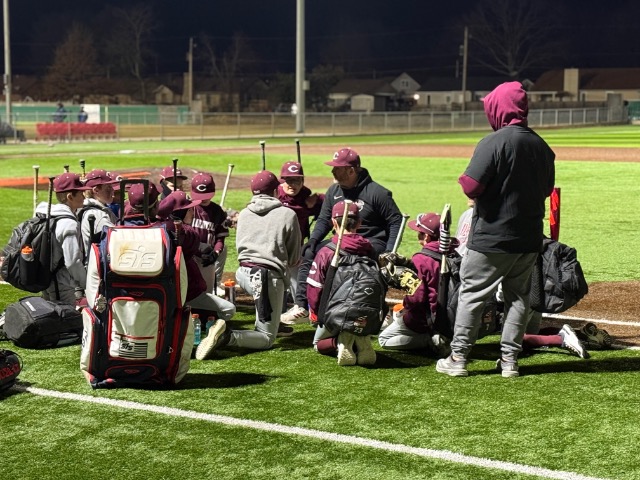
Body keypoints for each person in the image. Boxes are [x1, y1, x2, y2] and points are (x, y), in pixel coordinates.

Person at [436, 81, 555, 378]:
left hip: (491, 237)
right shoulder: (541, 146)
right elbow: (546, 190)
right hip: (528, 238)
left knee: (472, 295)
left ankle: (459, 357)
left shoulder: (494, 141)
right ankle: (509, 362)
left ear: (499, 108)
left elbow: (471, 185)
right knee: (518, 298)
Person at [282, 147, 403, 324]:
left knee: (376, 260)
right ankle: (302, 305)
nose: (332, 171)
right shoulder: (334, 191)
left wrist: (390, 250)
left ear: (351, 170)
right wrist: (314, 240)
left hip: (371, 241)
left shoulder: (378, 193)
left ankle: (379, 310)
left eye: (337, 168)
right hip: (340, 239)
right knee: (309, 252)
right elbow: (324, 219)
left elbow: (396, 221)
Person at [195, 171, 301, 359]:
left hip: (243, 274)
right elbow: (293, 258)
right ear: (275, 190)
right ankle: (227, 336)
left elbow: (239, 247)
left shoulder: (244, 213)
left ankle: (271, 314)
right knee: (267, 338)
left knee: (268, 300)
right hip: (267, 277)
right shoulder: (287, 214)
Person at [154, 191, 236, 349]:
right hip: (188, 292)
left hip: (166, 292)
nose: (193, 211)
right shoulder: (185, 232)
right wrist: (210, 252)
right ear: (180, 212)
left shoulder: (158, 227)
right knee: (229, 309)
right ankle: (212, 337)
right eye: (189, 209)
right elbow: (201, 246)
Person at [307, 201, 377, 366]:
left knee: (318, 344)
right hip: (366, 314)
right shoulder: (370, 249)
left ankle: (340, 340)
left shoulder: (327, 251)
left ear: (333, 222)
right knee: (356, 323)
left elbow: (314, 287)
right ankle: (358, 337)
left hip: (335, 313)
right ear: (359, 223)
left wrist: (317, 315)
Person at [378, 212, 455, 357]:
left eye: (419, 232)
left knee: (384, 339)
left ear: (426, 236)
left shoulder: (422, 259)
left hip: (427, 320)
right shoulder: (453, 253)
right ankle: (444, 335)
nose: (417, 234)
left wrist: (404, 305)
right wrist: (408, 263)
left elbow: (417, 298)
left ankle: (432, 340)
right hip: (453, 316)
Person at [277, 160, 324, 317]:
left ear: (302, 181)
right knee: (277, 284)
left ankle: (301, 308)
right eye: (288, 180)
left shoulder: (306, 197)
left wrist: (317, 199)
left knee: (300, 292)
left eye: (296, 180)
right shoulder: (275, 195)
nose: (292, 185)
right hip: (274, 249)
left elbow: (330, 202)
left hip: (296, 251)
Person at [34, 173, 90, 305]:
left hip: (47, 277)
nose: (84, 196)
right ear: (70, 196)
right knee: (64, 321)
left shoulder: (49, 214)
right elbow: (72, 262)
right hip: (61, 283)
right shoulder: (68, 223)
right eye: (81, 193)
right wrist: (86, 283)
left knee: (52, 316)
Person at [188, 172, 229, 295]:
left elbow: (220, 239)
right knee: (188, 292)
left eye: (207, 195)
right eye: (200, 195)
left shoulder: (217, 212)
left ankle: (207, 314)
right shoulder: (188, 208)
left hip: (208, 259)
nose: (204, 198)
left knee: (207, 292)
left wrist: (216, 253)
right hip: (189, 257)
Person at [78, 169, 118, 259]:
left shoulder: (101, 209)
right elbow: (117, 238)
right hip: (97, 267)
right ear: (96, 190)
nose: (112, 191)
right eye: (108, 188)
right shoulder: (96, 214)